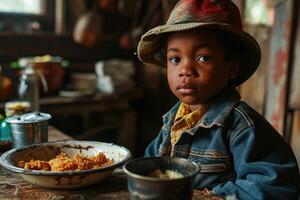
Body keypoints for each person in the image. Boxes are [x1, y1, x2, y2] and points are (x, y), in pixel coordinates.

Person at [137, 0, 300, 199]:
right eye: (175, 59)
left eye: (203, 58)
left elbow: (276, 184)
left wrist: (213, 196)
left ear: (232, 67)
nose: (185, 70)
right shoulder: (172, 121)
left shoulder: (241, 127)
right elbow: (149, 165)